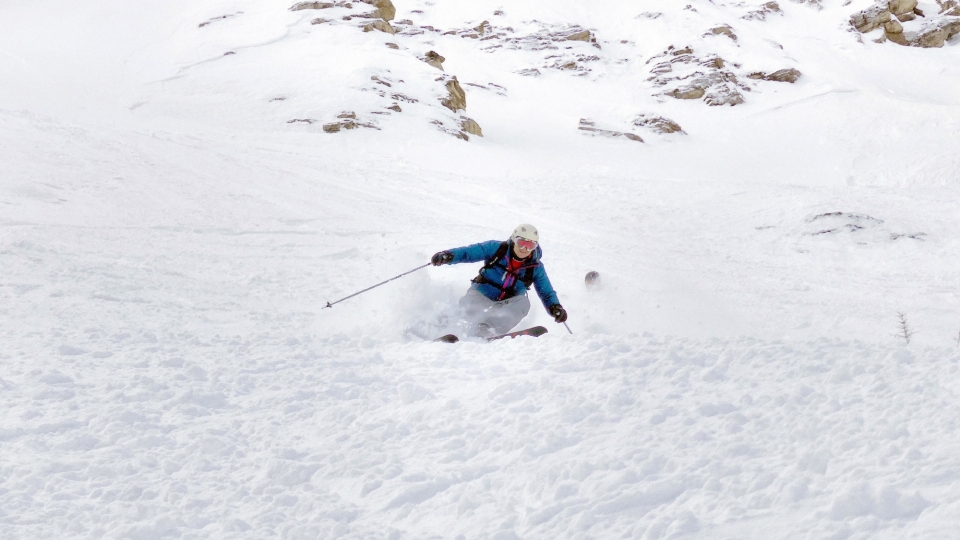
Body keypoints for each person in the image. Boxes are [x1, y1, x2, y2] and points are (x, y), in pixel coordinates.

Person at [431, 224, 567, 337]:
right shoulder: (496, 248)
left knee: (524, 303)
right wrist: (448, 256)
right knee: (468, 311)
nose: (525, 248)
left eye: (530, 245)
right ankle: (444, 327)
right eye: (522, 242)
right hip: (482, 293)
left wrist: (555, 308)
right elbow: (468, 253)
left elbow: (546, 292)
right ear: (514, 240)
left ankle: (486, 330)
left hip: (507, 303)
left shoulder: (536, 267)